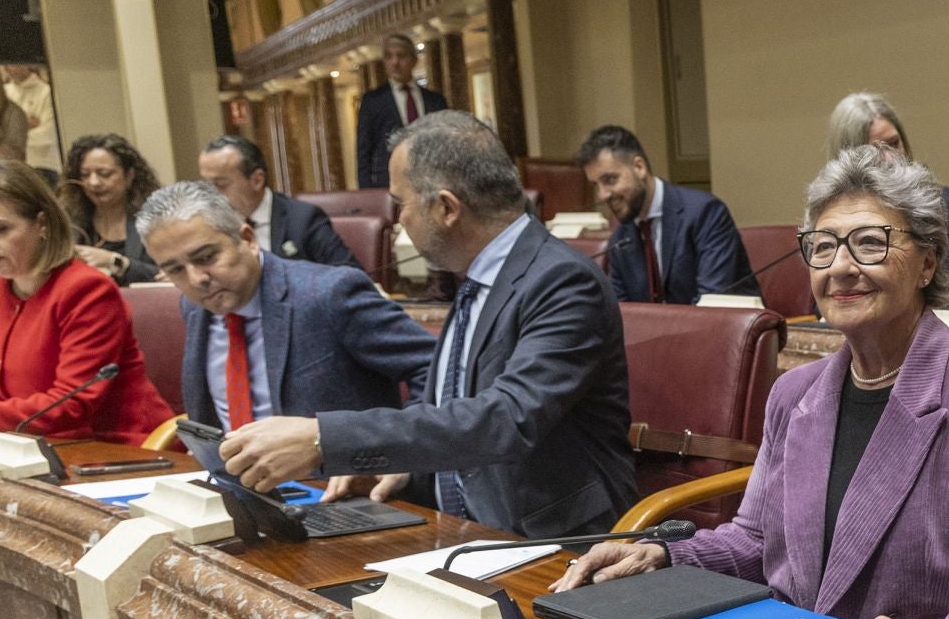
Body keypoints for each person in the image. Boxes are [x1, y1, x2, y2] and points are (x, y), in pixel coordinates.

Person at [554, 146, 949, 619]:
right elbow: (754, 541)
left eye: (869, 243)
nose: (841, 267)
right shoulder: (794, 392)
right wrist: (664, 555)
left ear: (927, 263)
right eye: (823, 246)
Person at [221, 112, 638, 537]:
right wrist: (395, 465)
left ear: (446, 207)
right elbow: (446, 405)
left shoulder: (562, 281)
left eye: (401, 203)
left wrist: (323, 438)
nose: (397, 219)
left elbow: (505, 420)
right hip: (458, 527)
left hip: (551, 539)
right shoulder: (479, 276)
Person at [137, 183, 436, 459]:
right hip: (241, 494)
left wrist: (392, 454)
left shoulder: (329, 294)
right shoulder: (194, 308)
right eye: (175, 270)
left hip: (338, 492)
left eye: (206, 258)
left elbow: (438, 369)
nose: (196, 279)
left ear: (247, 239)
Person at [0, 159, 172, 442]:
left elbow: (71, 406)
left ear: (41, 224)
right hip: (25, 445)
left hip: (116, 448)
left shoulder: (87, 290)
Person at [826, 92, 949, 307]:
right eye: (875, 150)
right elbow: (823, 301)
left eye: (894, 143)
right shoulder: (831, 216)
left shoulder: (947, 205)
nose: (890, 157)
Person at [576, 124, 755, 303]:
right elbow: (622, 311)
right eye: (596, 185)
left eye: (610, 180)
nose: (602, 195)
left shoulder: (705, 213)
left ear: (639, 167)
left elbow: (712, 302)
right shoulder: (621, 237)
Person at [197, 135, 360, 269]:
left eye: (220, 185)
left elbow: (349, 273)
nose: (211, 195)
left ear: (257, 180)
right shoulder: (209, 225)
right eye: (206, 185)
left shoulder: (303, 219)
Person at [59, 133, 160, 284]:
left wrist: (115, 262)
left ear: (130, 176)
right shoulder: (71, 221)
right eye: (85, 175)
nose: (93, 182)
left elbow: (167, 274)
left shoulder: (157, 219)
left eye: (104, 174)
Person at [355, 34, 448, 189]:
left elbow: (445, 144)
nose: (395, 62)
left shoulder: (435, 100)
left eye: (401, 56)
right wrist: (367, 193)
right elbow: (364, 151)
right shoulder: (372, 101)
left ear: (414, 60)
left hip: (431, 181)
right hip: (389, 184)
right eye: (389, 56)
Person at [0, 64, 60, 172]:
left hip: (42, 165)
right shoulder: (3, 93)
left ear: (26, 63)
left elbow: (48, 135)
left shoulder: (46, 92)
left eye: (11, 63)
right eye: (4, 63)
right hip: (8, 168)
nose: (6, 67)